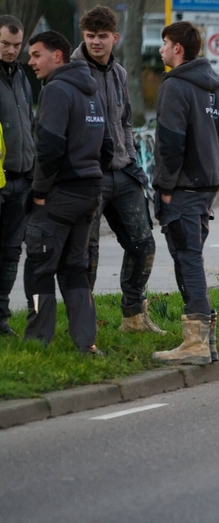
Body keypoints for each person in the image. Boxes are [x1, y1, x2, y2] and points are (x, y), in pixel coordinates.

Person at [71, 5, 165, 335]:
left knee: (143, 245)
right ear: (83, 36)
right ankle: (83, 326)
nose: (96, 42)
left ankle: (134, 318)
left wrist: (131, 161)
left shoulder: (120, 73)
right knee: (86, 256)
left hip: (122, 173)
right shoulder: (71, 73)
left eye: (102, 37)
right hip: (88, 178)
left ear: (115, 37)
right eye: (90, 36)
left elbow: (124, 121)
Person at [22, 30, 109, 353]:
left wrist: (40, 192)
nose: (30, 62)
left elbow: (50, 147)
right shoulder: (92, 89)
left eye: (36, 54)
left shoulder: (57, 90)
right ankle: (86, 343)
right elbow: (109, 146)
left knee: (39, 266)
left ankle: (37, 342)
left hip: (58, 195)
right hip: (89, 193)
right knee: (75, 268)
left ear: (57, 56)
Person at [151, 21, 219, 365]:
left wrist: (165, 187)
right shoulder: (216, 87)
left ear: (178, 49)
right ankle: (207, 342)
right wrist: (210, 170)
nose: (161, 50)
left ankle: (195, 343)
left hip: (182, 187)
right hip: (206, 185)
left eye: (164, 43)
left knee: (188, 258)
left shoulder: (176, 86)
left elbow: (169, 142)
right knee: (191, 256)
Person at [0, 15, 35, 336]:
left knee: (11, 252)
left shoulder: (22, 76)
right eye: (5, 44)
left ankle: (1, 317)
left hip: (21, 179)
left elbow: (29, 125)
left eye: (16, 45)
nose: (12, 50)